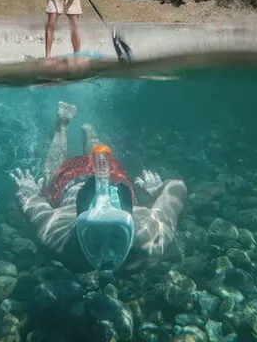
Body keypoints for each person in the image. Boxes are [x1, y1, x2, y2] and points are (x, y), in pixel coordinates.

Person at [10, 102, 187, 273]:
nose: (106, 255)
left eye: (117, 238)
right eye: (95, 240)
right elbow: (177, 186)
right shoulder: (151, 240)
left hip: (76, 182)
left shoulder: (57, 238)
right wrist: (152, 192)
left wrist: (28, 190)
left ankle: (67, 127)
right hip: (96, 178)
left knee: (49, 181)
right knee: (54, 178)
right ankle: (74, 128)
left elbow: (31, 204)